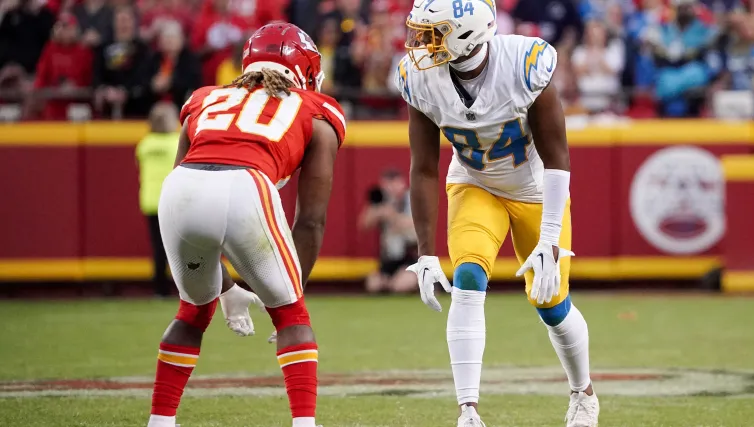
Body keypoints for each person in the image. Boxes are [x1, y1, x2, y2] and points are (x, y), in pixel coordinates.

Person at [395, 2, 599, 427]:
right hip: (475, 182)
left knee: (551, 303)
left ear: (464, 34)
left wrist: (548, 238)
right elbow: (424, 167)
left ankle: (583, 391)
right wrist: (426, 252)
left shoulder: (524, 63)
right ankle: (468, 411)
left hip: (535, 189)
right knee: (467, 278)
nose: (419, 44)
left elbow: (558, 157)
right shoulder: (420, 77)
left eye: (432, 34)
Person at [146, 22, 345, 427]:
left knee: (191, 311)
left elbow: (193, 188)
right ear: (305, 70)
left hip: (180, 188)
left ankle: (160, 422)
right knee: (292, 315)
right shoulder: (317, 111)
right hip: (247, 184)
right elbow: (310, 221)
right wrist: (289, 297)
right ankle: (304, 424)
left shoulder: (202, 99)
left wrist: (226, 289)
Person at [136, 102, 180, 297]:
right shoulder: (177, 142)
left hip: (150, 201)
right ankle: (184, 288)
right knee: (178, 247)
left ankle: (159, 289)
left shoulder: (144, 145)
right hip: (173, 201)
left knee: (158, 247)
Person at [359, 169, 417, 294]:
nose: (390, 189)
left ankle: (421, 283)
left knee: (400, 286)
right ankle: (391, 280)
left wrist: (391, 215)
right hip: (389, 259)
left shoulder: (410, 199)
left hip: (410, 258)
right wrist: (375, 208)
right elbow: (364, 225)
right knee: (373, 285)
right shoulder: (382, 201)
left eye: (393, 184)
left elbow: (412, 226)